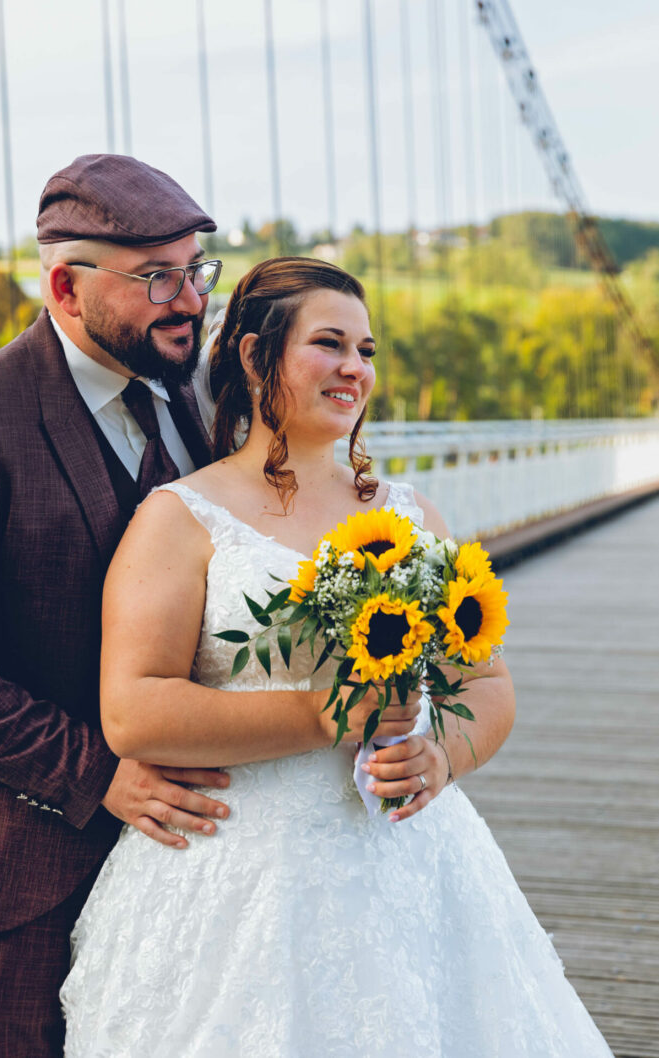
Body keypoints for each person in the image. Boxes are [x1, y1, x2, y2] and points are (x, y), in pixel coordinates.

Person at [61, 257, 613, 1057]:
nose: (355, 368)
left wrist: (439, 759)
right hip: (237, 883)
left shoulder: (412, 514)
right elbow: (133, 710)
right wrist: (322, 714)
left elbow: (486, 683)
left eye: (367, 350)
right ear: (254, 357)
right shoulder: (180, 518)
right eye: (329, 344)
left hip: (410, 872)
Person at [0, 158, 427, 1058]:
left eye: (196, 271)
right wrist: (96, 774)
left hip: (211, 863)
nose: (188, 300)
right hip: (29, 847)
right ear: (64, 285)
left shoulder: (208, 398)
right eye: (156, 278)